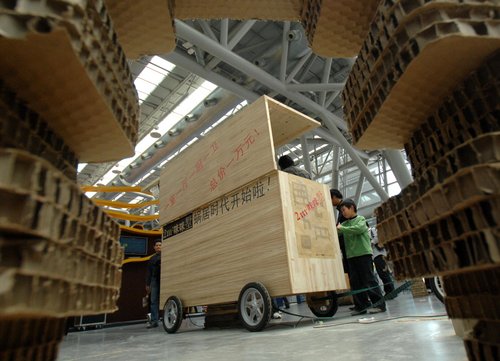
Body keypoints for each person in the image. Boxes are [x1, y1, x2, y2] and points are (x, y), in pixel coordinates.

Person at [337, 199, 386, 315]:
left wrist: (341, 228)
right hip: (351, 256)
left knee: (369, 279)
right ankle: (361, 306)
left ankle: (380, 304)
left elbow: (358, 229)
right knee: (355, 282)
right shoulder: (344, 224)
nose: (343, 213)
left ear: (352, 207)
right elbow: (337, 231)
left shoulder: (361, 220)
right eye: (341, 211)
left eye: (344, 210)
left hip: (363, 254)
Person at [370, 226, 396, 298]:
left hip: (380, 254)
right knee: (382, 274)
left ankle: (391, 292)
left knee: (383, 274)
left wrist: (370, 242)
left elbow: (377, 238)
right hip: (376, 255)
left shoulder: (372, 230)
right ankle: (389, 292)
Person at [330, 189, 349, 275]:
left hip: (347, 242)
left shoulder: (344, 207)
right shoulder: (341, 209)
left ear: (334, 197)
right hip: (345, 242)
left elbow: (344, 225)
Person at [145, 241, 162, 328]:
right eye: (157, 245)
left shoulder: (166, 256)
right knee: (153, 300)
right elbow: (149, 272)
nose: (158, 246)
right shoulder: (151, 259)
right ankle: (154, 321)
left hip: (164, 279)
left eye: (160, 245)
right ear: (154, 247)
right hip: (154, 280)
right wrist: (148, 284)